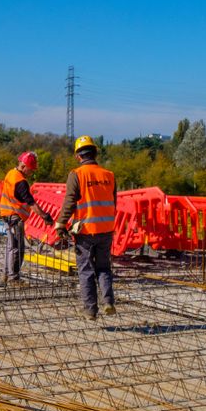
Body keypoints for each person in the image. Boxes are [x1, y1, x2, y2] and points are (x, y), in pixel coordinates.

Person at [54, 135, 116, 319]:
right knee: (104, 268)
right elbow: (114, 203)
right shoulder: (109, 175)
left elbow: (70, 201)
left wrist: (60, 224)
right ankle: (108, 302)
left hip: (86, 231)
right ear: (95, 153)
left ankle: (90, 310)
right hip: (106, 229)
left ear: (78, 156)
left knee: (86, 269)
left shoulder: (77, 174)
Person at [0, 151, 53, 283]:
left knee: (11, 247)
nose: (32, 173)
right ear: (24, 166)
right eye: (31, 169)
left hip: (7, 215)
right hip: (14, 217)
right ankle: (14, 279)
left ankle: (6, 275)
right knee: (17, 248)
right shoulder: (21, 182)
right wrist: (44, 216)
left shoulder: (11, 174)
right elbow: (31, 202)